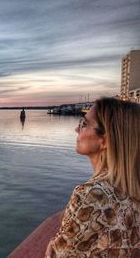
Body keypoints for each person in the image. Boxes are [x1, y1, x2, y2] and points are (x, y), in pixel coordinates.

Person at [45, 97, 140, 258]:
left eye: (84, 124)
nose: (76, 129)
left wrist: (51, 250)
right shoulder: (131, 189)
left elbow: (58, 254)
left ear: (104, 140)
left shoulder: (92, 195)